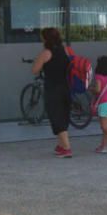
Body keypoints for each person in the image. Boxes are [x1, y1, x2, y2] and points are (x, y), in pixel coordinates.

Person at [31, 27, 73, 158]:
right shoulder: (65, 49)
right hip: (66, 87)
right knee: (63, 115)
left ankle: (67, 148)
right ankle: (61, 146)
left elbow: (35, 70)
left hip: (53, 89)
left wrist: (39, 61)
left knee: (56, 116)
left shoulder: (46, 53)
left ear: (46, 38)